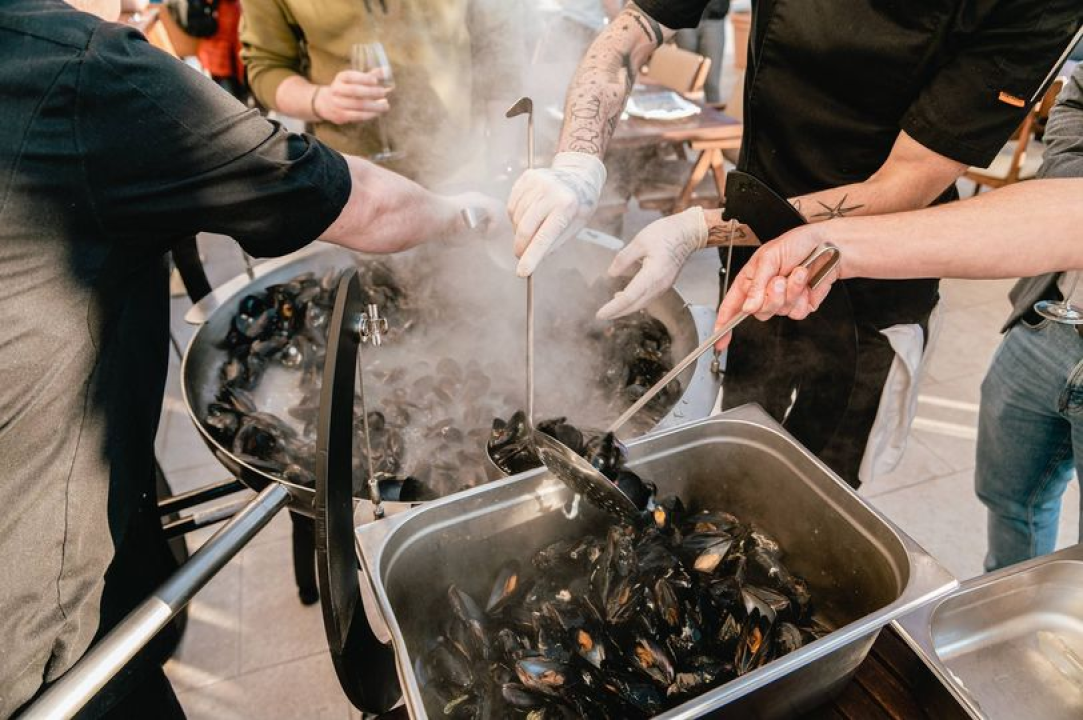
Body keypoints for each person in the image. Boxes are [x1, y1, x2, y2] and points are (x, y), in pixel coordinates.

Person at [0, 1, 501, 716]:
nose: (143, 5)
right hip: (31, 615)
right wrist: (468, 211)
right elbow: (366, 204)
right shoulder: (88, 67)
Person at [508, 0, 1081, 488]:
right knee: (736, 436)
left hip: (874, 282)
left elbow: (904, 184)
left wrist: (701, 226)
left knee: (818, 482)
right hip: (754, 247)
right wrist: (578, 161)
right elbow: (632, 31)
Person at [716, 64, 1083, 572]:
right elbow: (1067, 205)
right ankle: (1012, 600)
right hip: (1046, 325)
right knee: (1011, 501)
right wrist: (830, 245)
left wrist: (832, 243)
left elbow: (1070, 217)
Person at [240, 0, 516, 180]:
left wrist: (503, 158)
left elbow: (498, 43)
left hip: (461, 162)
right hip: (355, 177)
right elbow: (266, 66)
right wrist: (321, 100)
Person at [674, 0, 727, 105]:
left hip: (714, 18)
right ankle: (686, 118)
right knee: (686, 79)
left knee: (712, 83)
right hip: (685, 18)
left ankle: (715, 120)